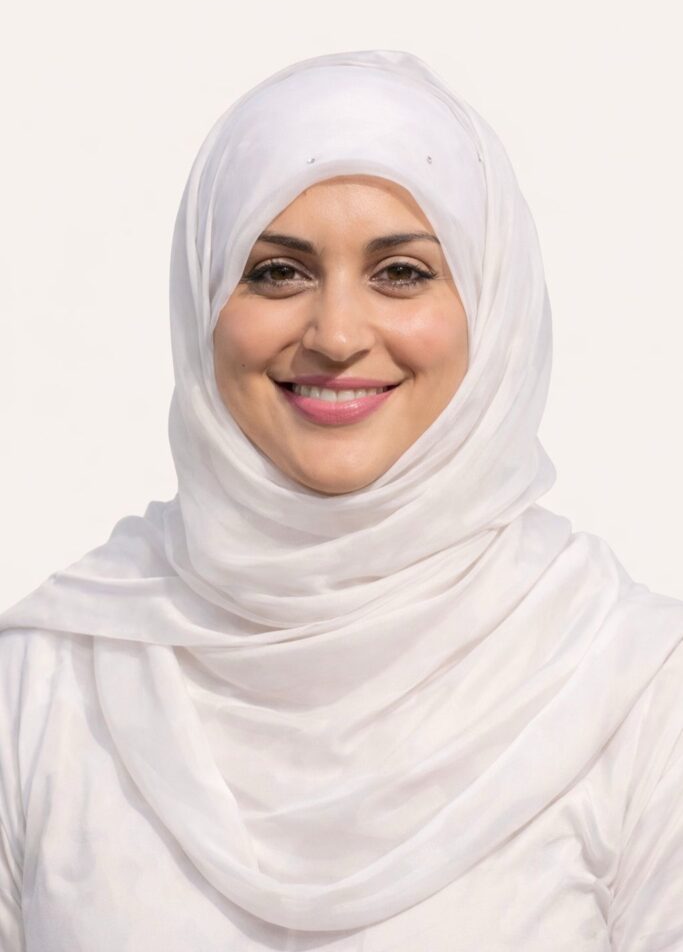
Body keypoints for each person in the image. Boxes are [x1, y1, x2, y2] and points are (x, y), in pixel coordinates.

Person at [1, 49, 682, 951]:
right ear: (202, 299)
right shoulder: (50, 680)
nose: (335, 334)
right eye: (277, 272)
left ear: (492, 305)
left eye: (400, 272)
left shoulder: (634, 690)